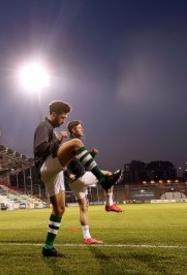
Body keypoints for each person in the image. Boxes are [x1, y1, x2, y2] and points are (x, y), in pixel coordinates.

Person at [33, 101, 122, 257]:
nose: (63, 121)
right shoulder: (44, 126)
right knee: (76, 143)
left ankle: (48, 247)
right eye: (62, 117)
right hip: (46, 166)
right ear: (53, 114)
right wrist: (59, 139)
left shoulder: (51, 128)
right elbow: (40, 149)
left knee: (60, 209)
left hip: (54, 171)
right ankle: (103, 179)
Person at [65, 120, 124, 245]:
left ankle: (87, 237)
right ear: (73, 130)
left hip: (74, 182)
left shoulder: (69, 144)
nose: (82, 129)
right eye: (79, 128)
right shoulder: (74, 143)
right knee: (108, 174)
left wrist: (91, 154)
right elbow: (63, 162)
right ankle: (109, 204)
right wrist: (68, 172)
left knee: (83, 208)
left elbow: (78, 162)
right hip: (81, 177)